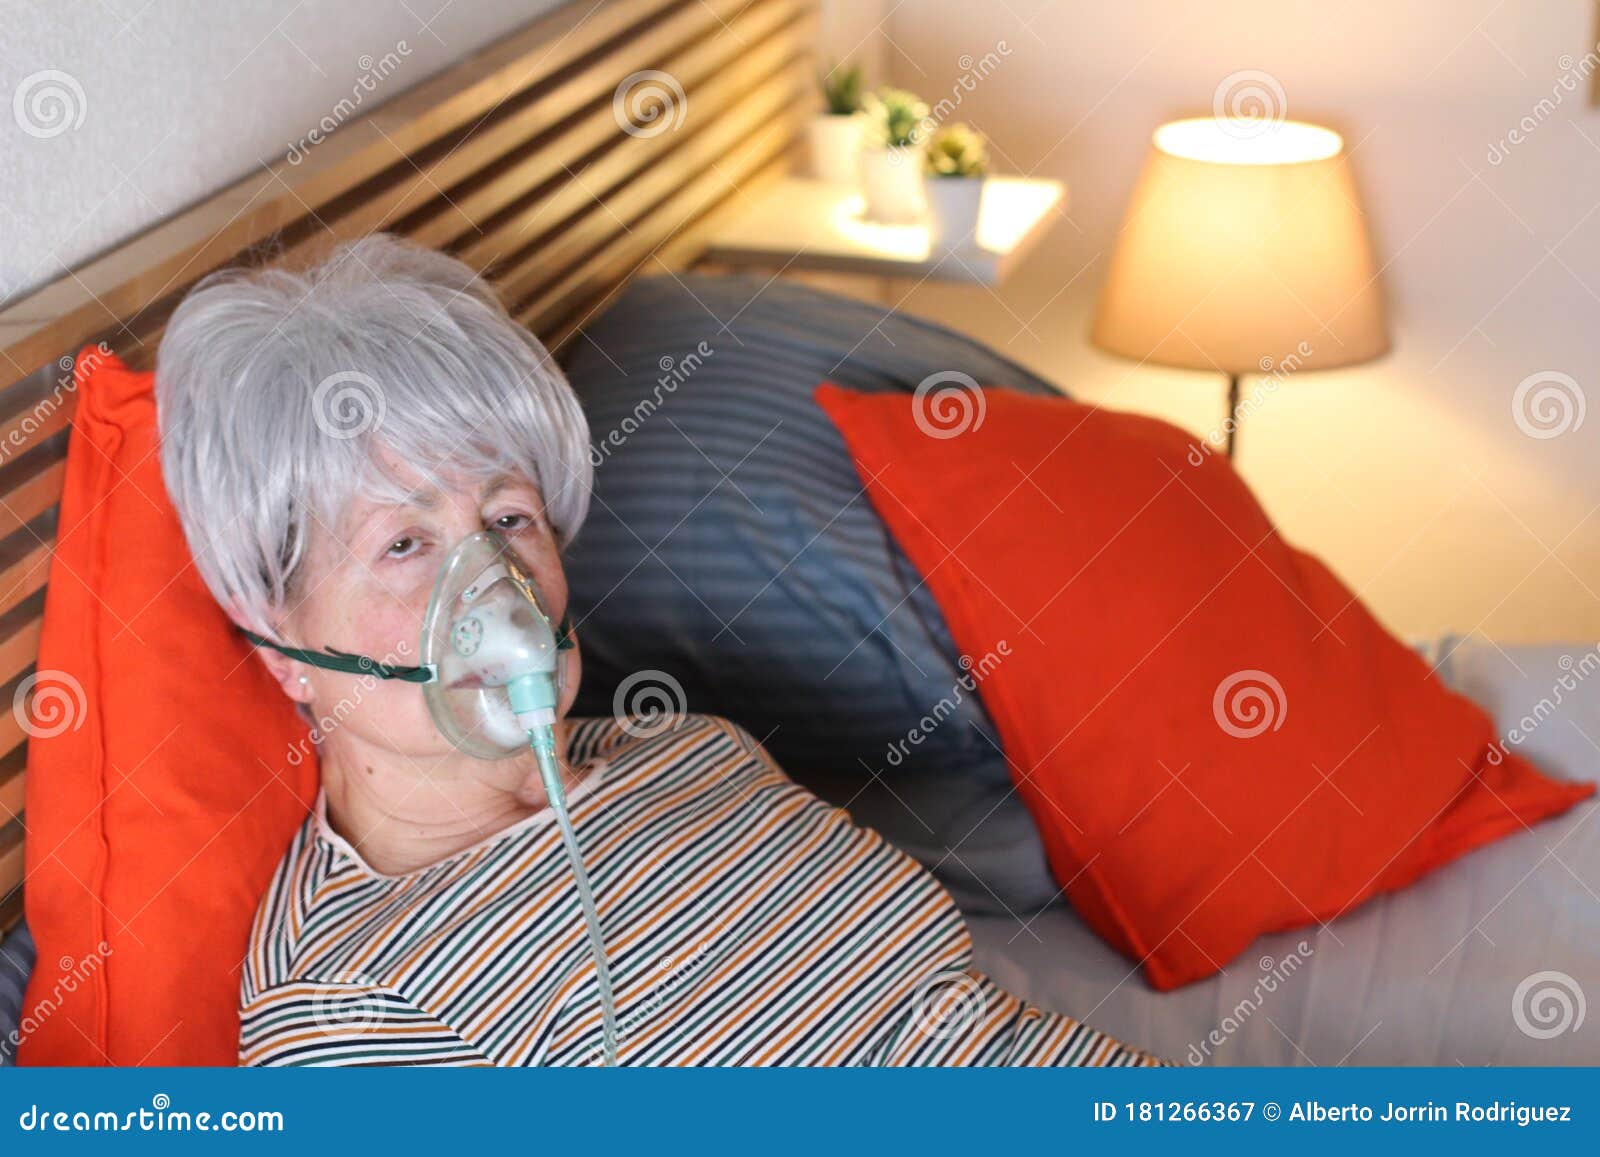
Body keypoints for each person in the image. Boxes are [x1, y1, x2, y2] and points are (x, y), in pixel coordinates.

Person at [154, 234, 1164, 1067]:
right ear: (281, 640)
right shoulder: (355, 1010)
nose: (492, 589)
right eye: (403, 544)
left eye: (509, 515)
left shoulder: (686, 749)